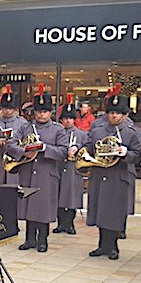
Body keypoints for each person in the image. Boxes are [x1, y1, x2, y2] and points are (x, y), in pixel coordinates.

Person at [6, 86, 66, 253]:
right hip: (27, 171)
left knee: (43, 208)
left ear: (50, 113)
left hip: (47, 173)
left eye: (45, 111)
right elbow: (11, 144)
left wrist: (45, 148)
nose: (41, 114)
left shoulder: (58, 129)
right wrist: (24, 150)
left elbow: (63, 151)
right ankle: (29, 238)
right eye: (39, 111)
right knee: (28, 206)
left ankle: (43, 239)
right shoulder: (25, 127)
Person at [85, 93, 141, 259]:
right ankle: (102, 245)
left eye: (118, 113)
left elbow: (138, 154)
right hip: (100, 174)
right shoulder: (97, 131)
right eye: (111, 112)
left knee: (114, 212)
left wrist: (125, 153)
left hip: (119, 176)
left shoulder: (132, 132)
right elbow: (88, 147)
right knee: (100, 211)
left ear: (125, 115)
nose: (114, 115)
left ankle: (113, 247)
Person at [54, 97, 87, 234]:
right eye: (65, 118)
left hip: (74, 168)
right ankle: (61, 223)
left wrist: (77, 148)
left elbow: (86, 148)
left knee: (72, 197)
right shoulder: (57, 131)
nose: (67, 121)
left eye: (70, 118)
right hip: (59, 167)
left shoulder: (81, 134)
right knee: (58, 196)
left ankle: (70, 223)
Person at [0, 84, 28, 187]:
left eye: (10, 108)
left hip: (15, 163)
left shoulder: (22, 123)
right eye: (5, 108)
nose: (7, 111)